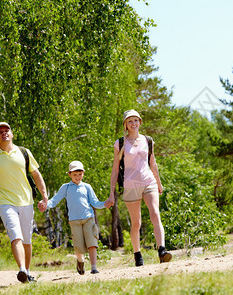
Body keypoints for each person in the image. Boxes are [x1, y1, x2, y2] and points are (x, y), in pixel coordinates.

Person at [0, 122, 48, 283]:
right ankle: (21, 269)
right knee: (15, 235)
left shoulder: (24, 152)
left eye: (7, 130)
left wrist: (44, 196)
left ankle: (27, 272)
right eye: (0, 132)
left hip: (26, 201)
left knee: (27, 240)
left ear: (12, 134)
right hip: (5, 202)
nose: (4, 133)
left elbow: (36, 175)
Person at [107, 109, 172, 266]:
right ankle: (137, 255)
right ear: (125, 125)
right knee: (136, 223)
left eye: (136, 120)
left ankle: (162, 251)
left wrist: (158, 181)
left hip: (148, 182)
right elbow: (115, 169)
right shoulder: (120, 143)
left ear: (140, 122)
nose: (133, 123)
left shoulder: (148, 141)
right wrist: (111, 193)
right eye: (130, 121)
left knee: (155, 214)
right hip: (130, 186)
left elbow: (152, 162)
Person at [38, 161, 111, 274]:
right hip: (74, 221)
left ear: (83, 174)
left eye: (79, 174)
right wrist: (45, 204)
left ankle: (94, 267)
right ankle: (80, 261)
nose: (77, 177)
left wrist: (104, 203)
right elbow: (55, 200)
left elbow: (95, 202)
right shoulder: (66, 187)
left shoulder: (87, 187)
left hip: (88, 218)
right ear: (69, 174)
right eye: (74, 174)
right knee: (78, 246)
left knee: (92, 243)